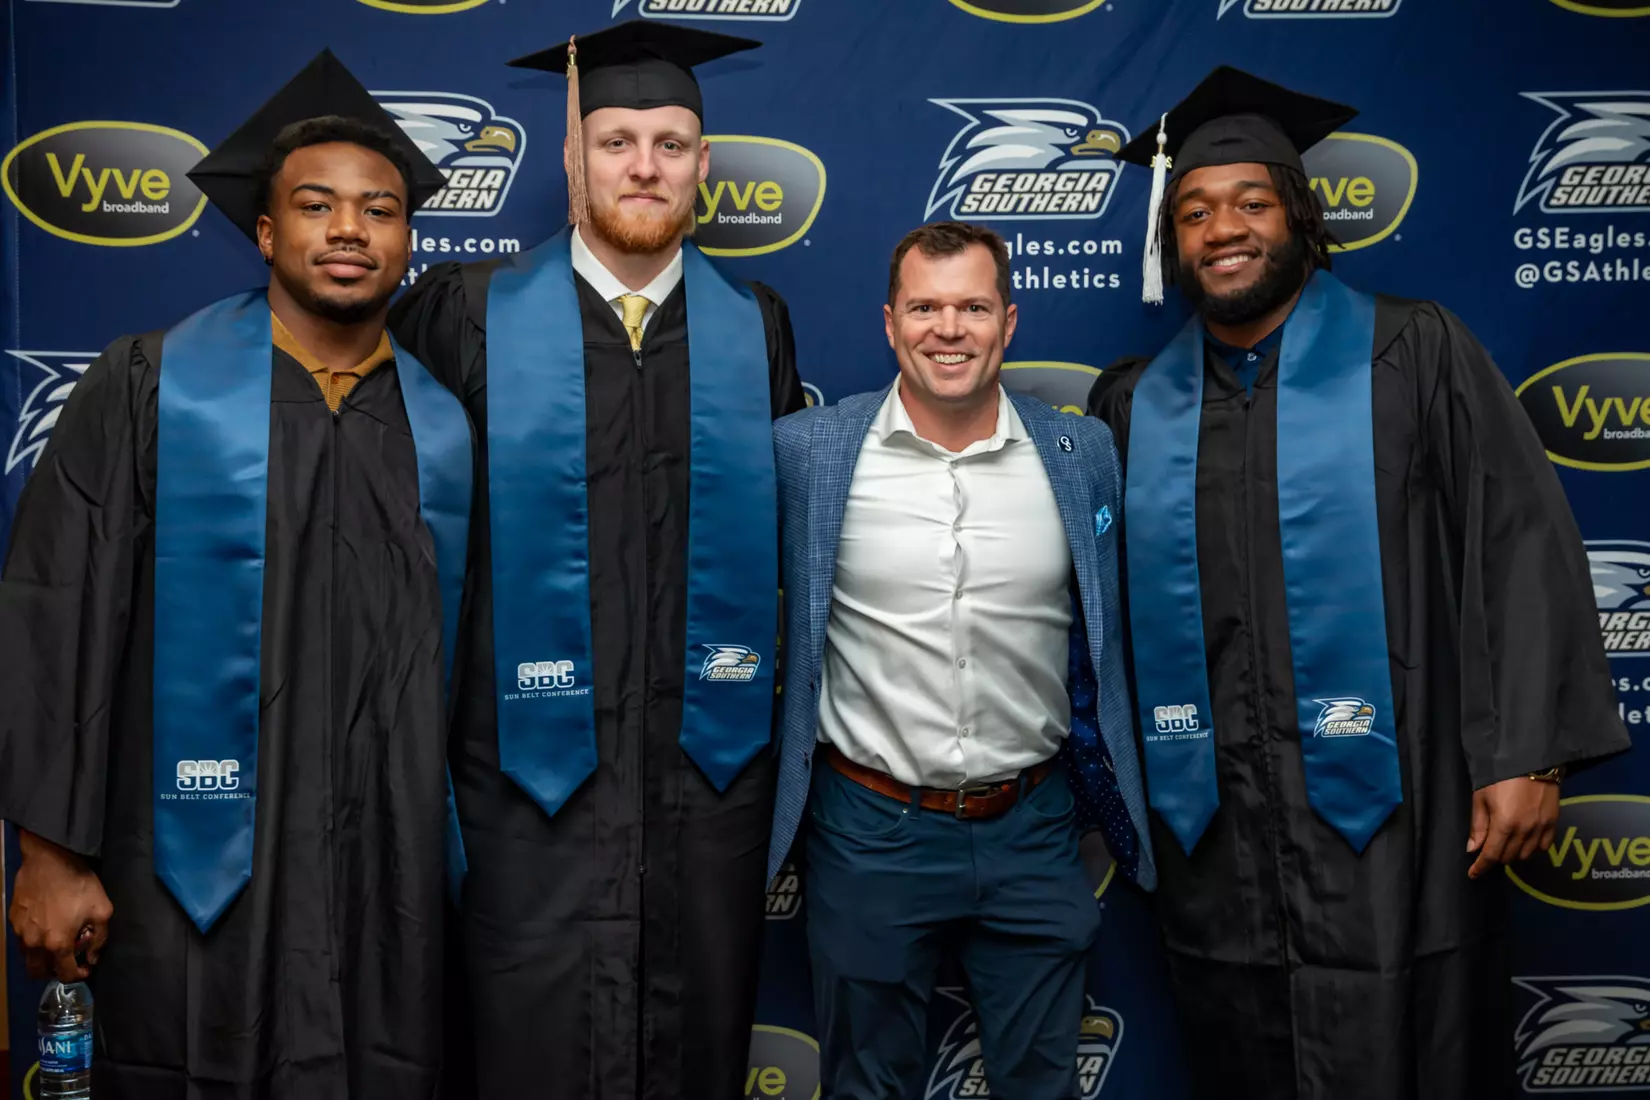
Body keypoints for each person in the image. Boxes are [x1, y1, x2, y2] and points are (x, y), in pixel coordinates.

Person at [1088, 66, 1632, 1100]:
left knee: (1410, 1049)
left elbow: (1516, 543)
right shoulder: (1135, 405)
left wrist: (1529, 752)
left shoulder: (1413, 352)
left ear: (1300, 214)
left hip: (1404, 818)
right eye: (1195, 210)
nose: (1223, 229)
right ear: (1172, 238)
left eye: (1251, 202)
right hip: (1219, 834)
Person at [0, 51, 473, 1098]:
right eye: (317, 205)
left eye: (380, 209)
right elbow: (54, 612)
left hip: (379, 866)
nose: (349, 229)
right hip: (185, 858)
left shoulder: (442, 426)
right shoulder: (149, 385)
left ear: (407, 240)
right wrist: (48, 851)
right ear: (267, 232)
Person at [388, 19, 804, 1099]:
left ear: (703, 165)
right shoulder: (468, 314)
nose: (644, 165)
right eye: (616, 140)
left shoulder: (753, 324)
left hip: (700, 783)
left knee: (693, 1044)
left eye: (671, 143)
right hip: (522, 778)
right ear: (571, 160)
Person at [767, 221, 1153, 1099]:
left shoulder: (1079, 453)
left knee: (1044, 1084)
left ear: (1008, 322)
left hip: (1034, 828)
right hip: (869, 830)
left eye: (973, 307)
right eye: (926, 307)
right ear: (890, 323)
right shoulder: (811, 453)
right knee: (867, 1087)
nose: (950, 328)